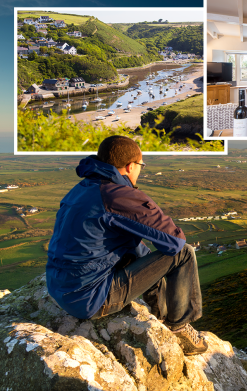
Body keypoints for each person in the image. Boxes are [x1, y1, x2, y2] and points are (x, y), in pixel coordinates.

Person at [46, 135, 208, 355]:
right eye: (141, 165)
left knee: (139, 250)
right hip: (90, 299)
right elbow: (174, 243)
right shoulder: (117, 195)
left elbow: (129, 244)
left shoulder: (83, 188)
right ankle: (179, 326)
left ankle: (160, 315)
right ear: (131, 166)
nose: (140, 170)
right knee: (184, 254)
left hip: (61, 288)